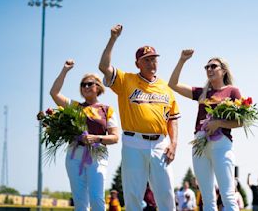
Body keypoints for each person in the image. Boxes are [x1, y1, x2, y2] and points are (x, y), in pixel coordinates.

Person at [99, 24, 180, 211]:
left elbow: (173, 118)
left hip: (160, 143)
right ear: (138, 64)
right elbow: (103, 66)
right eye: (146, 60)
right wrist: (113, 39)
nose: (152, 63)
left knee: (166, 193)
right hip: (133, 143)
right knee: (133, 194)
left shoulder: (165, 88)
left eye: (154, 59)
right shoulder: (126, 80)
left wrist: (174, 143)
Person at [169, 49, 242, 210]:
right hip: (199, 144)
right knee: (207, 198)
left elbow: (241, 121)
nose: (209, 69)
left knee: (228, 195)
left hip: (222, 145)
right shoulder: (202, 92)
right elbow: (172, 84)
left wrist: (219, 123)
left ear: (223, 70)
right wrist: (182, 60)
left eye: (213, 66)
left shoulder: (232, 91)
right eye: (206, 67)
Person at [50, 60, 119, 211]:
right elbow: (54, 93)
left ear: (98, 87)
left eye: (89, 83)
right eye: (83, 84)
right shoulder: (74, 107)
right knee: (80, 202)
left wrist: (97, 138)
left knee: (96, 198)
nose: (86, 87)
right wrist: (65, 70)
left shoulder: (107, 109)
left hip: (97, 154)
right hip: (75, 155)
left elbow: (115, 137)